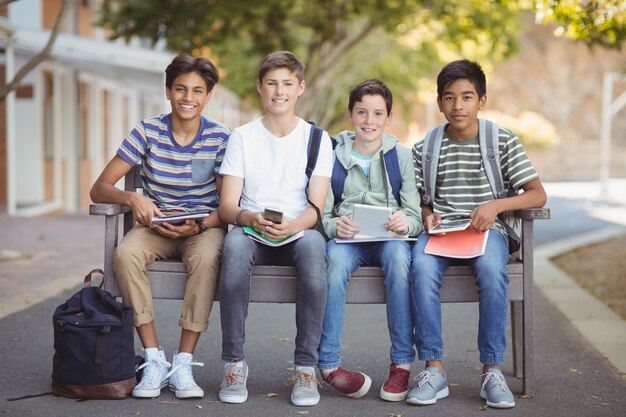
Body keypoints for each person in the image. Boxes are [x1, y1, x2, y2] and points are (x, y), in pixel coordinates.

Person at [406, 59, 547, 409]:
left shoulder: (499, 140)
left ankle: (492, 370)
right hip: (441, 233)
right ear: (439, 102)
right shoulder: (427, 147)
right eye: (450, 98)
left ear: (482, 100)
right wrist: (426, 214)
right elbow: (419, 198)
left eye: (467, 97)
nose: (458, 106)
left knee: (490, 271)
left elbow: (537, 194)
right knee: (419, 269)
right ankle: (434, 369)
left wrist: (495, 207)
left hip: (489, 232)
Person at [89, 54, 230, 399]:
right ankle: (153, 358)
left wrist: (197, 227)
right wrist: (134, 200)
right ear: (168, 91)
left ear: (208, 96)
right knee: (124, 254)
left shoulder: (222, 138)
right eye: (180, 88)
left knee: (208, 259)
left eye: (198, 90)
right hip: (156, 227)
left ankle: (183, 363)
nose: (188, 97)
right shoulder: (147, 130)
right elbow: (100, 188)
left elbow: (227, 207)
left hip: (203, 228)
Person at [216, 50, 333, 407]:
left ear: (300, 88)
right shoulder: (242, 137)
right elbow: (227, 207)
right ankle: (233, 364)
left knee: (315, 249)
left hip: (298, 232)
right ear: (259, 88)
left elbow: (316, 208)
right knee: (234, 248)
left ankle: (305, 369)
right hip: (252, 231)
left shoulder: (317, 139)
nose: (279, 92)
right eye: (271, 84)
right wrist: (249, 219)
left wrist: (293, 226)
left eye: (286, 84)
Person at [317, 79, 423, 402]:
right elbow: (322, 214)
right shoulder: (333, 156)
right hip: (348, 241)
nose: (369, 121)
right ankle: (329, 363)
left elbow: (415, 217)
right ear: (350, 114)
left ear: (388, 118)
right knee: (332, 263)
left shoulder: (401, 157)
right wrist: (336, 227)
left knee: (399, 259)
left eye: (378, 114)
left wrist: (405, 224)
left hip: (389, 238)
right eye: (362, 112)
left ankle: (402, 363)